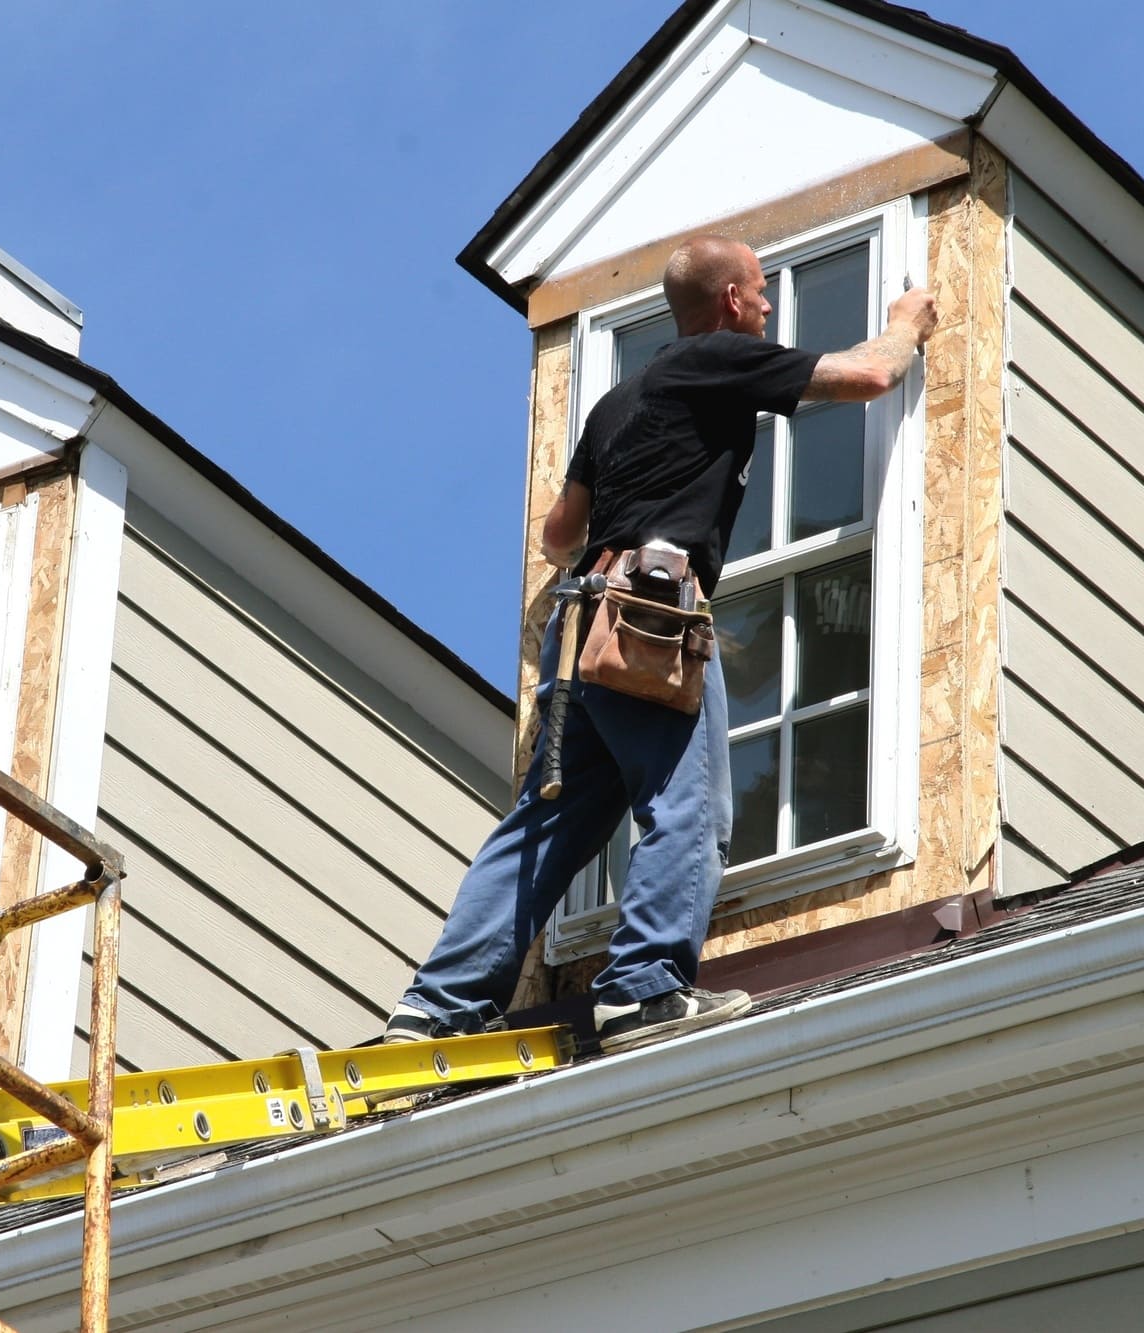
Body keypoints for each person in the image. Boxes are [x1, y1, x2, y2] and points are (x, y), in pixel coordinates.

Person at [387, 235, 937, 1054]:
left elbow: (558, 535)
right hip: (651, 618)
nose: (767, 305)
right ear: (727, 304)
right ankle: (644, 990)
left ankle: (435, 1007)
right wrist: (904, 323)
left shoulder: (617, 402)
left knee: (547, 824)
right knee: (690, 805)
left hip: (586, 635)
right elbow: (867, 376)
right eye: (759, 293)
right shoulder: (717, 358)